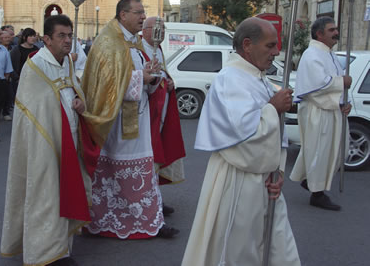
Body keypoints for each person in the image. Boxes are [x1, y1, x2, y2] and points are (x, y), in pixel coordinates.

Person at [182, 17, 300, 266]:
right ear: (247, 45)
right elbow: (243, 137)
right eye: (270, 46)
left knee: (277, 248)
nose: (276, 52)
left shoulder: (257, 77)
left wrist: (276, 171)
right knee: (239, 251)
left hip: (263, 179)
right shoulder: (231, 79)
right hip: (239, 179)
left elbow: (275, 135)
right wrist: (272, 108)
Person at [1, 15, 95, 266]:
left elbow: (73, 91)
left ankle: (62, 248)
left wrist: (81, 101)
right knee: (47, 196)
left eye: (70, 35)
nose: (67, 41)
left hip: (69, 140)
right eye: (61, 36)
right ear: (46, 39)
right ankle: (44, 253)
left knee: (65, 192)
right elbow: (33, 108)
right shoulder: (36, 65)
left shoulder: (66, 62)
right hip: (45, 144)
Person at [82, 0, 178, 239]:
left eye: (143, 12)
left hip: (137, 115)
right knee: (117, 170)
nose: (143, 17)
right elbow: (105, 83)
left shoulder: (134, 43)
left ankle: (147, 219)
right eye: (138, 12)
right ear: (123, 15)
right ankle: (106, 219)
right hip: (114, 122)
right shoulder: (108, 42)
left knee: (140, 167)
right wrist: (140, 78)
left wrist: (153, 77)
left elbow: (137, 76)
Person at [290, 16, 351, 211]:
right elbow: (317, 85)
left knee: (335, 149)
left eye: (336, 29)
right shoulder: (312, 54)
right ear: (319, 34)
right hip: (317, 111)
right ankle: (317, 193)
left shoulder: (328, 54)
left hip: (331, 109)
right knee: (319, 152)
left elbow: (333, 84)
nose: (336, 33)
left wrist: (343, 103)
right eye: (331, 30)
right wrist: (343, 82)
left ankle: (309, 181)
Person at [141, 16, 186, 216]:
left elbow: (163, 74)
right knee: (149, 159)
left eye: (163, 29)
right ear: (145, 30)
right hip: (145, 114)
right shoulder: (137, 50)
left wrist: (170, 83)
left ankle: (156, 198)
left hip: (161, 111)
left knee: (157, 158)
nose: (162, 33)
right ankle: (149, 202)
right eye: (157, 29)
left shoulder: (157, 49)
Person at [9, 27, 39, 94]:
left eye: (34, 36)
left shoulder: (37, 49)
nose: (33, 38)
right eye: (30, 36)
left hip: (34, 80)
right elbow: (11, 65)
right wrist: (17, 78)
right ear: (25, 37)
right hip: (20, 80)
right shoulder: (17, 50)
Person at [1, 30, 14, 121]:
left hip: (10, 76)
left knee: (9, 95)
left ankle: (6, 111)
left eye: (9, 37)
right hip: (0, 76)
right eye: (5, 38)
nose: (7, 39)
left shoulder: (12, 48)